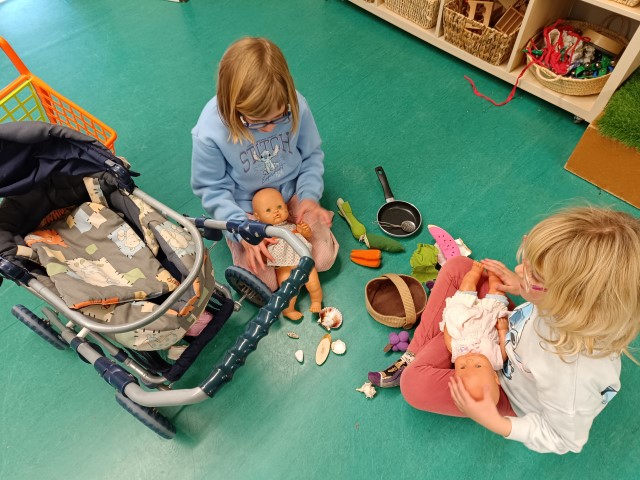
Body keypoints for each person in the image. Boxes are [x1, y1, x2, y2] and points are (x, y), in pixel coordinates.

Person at [367, 206, 640, 454]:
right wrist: (524, 288)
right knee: (459, 267)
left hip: (508, 392)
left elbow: (562, 439)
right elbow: (535, 303)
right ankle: (415, 355)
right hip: (505, 330)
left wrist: (497, 423)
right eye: (528, 261)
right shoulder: (578, 311)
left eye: (533, 274)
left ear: (568, 302)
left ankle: (416, 358)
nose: (519, 268)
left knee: (414, 385)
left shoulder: (571, 375)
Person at [191, 36, 338, 292]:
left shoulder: (297, 105)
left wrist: (309, 197)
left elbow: (311, 156)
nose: (269, 128)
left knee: (323, 259)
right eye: (256, 122)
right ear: (232, 106)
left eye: (279, 117)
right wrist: (241, 228)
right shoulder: (210, 130)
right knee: (266, 282)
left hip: (292, 194)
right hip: (247, 211)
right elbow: (212, 188)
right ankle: (238, 240)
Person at [440, 261, 510, 405]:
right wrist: (503, 330)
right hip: (489, 318)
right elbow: (504, 347)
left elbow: (449, 340)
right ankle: (493, 275)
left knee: (465, 291)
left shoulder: (457, 353)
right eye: (478, 366)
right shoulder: (496, 361)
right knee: (498, 293)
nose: (469, 361)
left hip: (464, 318)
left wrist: (448, 324)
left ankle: (475, 272)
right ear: (495, 377)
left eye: (462, 367)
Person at [252, 188, 323, 320]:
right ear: (257, 216)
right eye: (268, 210)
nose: (276, 212)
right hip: (284, 266)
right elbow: (261, 252)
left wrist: (305, 231)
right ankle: (288, 311)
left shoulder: (292, 225)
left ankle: (316, 301)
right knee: (288, 290)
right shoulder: (265, 234)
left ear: (286, 206)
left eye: (279, 207)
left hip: (303, 260)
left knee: (314, 283)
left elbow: (307, 236)